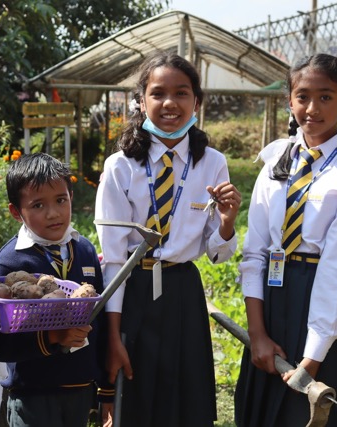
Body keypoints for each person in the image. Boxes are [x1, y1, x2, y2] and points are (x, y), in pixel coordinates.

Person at [95, 51, 241, 427]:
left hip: (183, 293)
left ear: (197, 102)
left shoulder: (212, 163)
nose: (170, 103)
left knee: (185, 400)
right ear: (141, 102)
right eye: (158, 93)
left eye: (181, 93)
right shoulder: (120, 166)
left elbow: (218, 253)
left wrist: (227, 224)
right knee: (136, 399)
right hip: (133, 289)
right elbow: (114, 258)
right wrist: (113, 335)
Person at [234, 53, 337, 427]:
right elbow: (255, 252)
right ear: (290, 101)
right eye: (302, 97)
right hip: (272, 300)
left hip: (326, 308)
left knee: (312, 413)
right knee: (262, 410)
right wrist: (257, 333)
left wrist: (313, 357)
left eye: (325, 97)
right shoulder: (275, 162)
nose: (312, 108)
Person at [0, 152, 113, 427]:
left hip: (80, 391)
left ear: (71, 197)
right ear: (16, 212)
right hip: (33, 396)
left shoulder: (84, 251)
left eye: (60, 200)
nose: (53, 213)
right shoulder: (11, 262)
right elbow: (0, 344)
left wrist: (106, 389)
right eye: (38, 205)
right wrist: (54, 337)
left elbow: (99, 321)